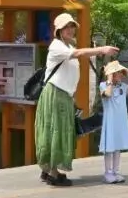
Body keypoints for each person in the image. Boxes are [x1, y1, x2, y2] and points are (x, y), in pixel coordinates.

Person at [35, 13, 119, 187]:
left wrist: (71, 97)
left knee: (58, 130)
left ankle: (48, 169)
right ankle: (53, 173)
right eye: (66, 27)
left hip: (63, 94)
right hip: (55, 93)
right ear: (58, 30)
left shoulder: (68, 45)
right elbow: (79, 53)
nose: (70, 30)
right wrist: (101, 49)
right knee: (56, 131)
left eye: (72, 26)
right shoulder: (57, 46)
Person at [99, 61, 128, 183]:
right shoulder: (103, 85)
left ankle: (116, 171)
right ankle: (108, 172)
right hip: (110, 121)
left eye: (121, 72)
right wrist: (110, 80)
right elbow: (108, 94)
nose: (121, 74)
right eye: (118, 72)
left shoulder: (123, 86)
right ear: (111, 74)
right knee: (109, 147)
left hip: (121, 121)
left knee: (117, 147)